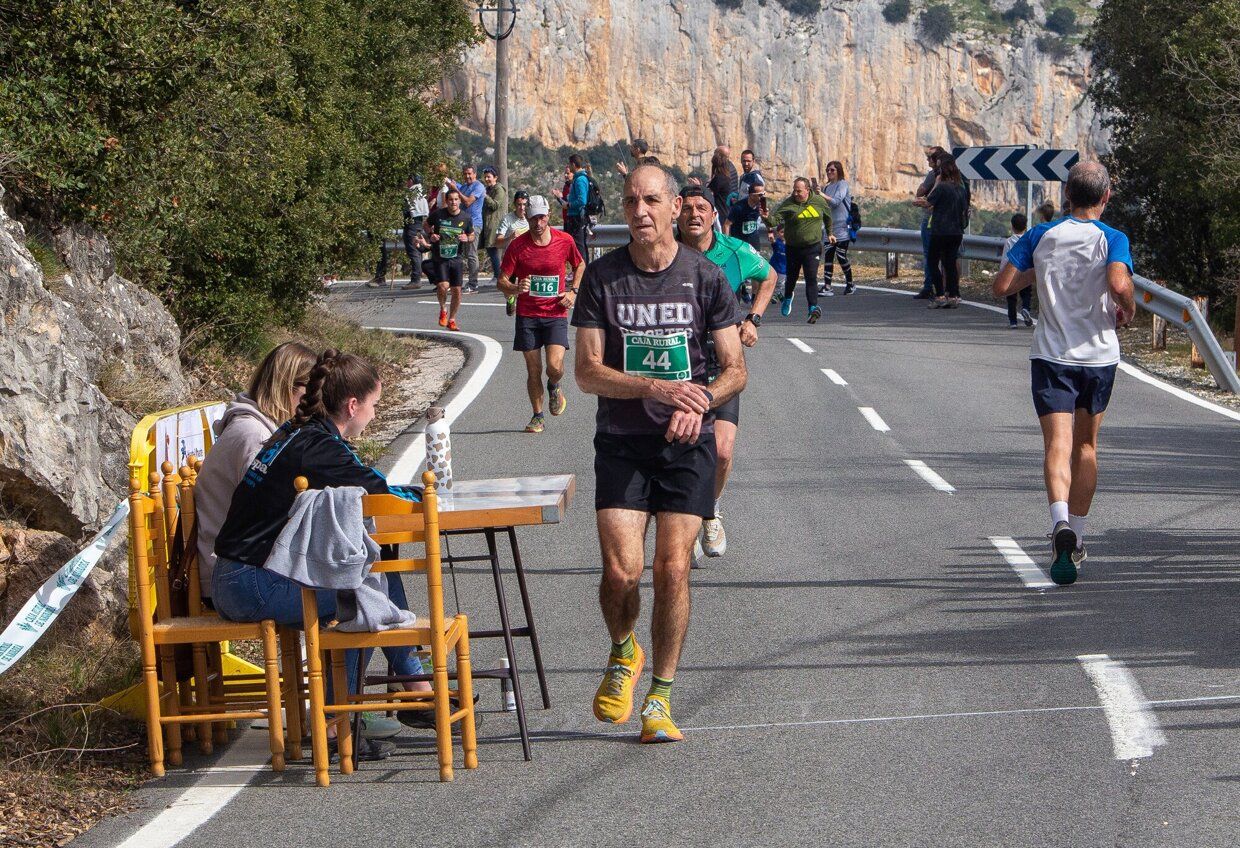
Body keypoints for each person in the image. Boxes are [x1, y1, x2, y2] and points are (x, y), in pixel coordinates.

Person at [571, 163, 746, 744]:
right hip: (622, 441)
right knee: (622, 570)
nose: (639, 212)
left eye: (650, 200)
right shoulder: (602, 278)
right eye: (629, 202)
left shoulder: (706, 277)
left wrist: (701, 403)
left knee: (672, 568)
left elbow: (734, 371)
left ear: (676, 207)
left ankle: (661, 700)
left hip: (685, 444)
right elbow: (587, 373)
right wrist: (654, 388)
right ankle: (625, 652)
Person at [212, 349, 431, 758]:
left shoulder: (295, 431)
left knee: (374, 576)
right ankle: (339, 726)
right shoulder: (321, 448)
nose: (374, 414)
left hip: (238, 574)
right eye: (374, 405)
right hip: (249, 583)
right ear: (352, 405)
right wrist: (427, 496)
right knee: (359, 598)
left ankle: (411, 688)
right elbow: (385, 492)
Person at [991, 162, 1136, 586]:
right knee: (1086, 447)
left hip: (1052, 356)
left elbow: (1002, 287)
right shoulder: (1113, 238)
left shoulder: (1040, 235)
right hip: (1099, 357)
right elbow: (1116, 280)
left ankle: (1059, 524)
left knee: (1057, 443)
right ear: (1106, 197)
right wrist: (1127, 306)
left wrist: (1043, 270)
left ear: (1068, 195)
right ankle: (1079, 533)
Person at [676, 186, 777, 559]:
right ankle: (678, 523)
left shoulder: (735, 252)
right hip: (676, 365)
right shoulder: (664, 252)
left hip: (722, 364)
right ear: (676, 213)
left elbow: (769, 277)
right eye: (686, 208)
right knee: (677, 451)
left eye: (702, 208)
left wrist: (753, 319)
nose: (694, 215)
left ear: (714, 214)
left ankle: (710, 510)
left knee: (721, 450)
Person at [196, 342, 317, 603]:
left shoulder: (261, 430)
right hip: (235, 575)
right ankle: (406, 645)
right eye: (313, 390)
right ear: (289, 388)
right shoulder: (253, 436)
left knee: (354, 580)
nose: (317, 401)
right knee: (354, 589)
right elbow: (274, 514)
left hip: (240, 566)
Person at [497, 195, 585, 433]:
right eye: (533, 218)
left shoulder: (564, 241)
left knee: (554, 367)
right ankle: (538, 416)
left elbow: (580, 264)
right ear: (527, 218)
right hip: (528, 315)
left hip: (555, 313)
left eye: (542, 218)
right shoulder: (518, 246)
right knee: (533, 368)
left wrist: (573, 291)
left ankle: (554, 385)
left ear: (549, 217)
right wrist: (515, 288)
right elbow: (501, 281)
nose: (538, 223)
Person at [767, 177, 832, 323]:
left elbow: (828, 217)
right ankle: (788, 297)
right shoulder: (789, 203)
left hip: (813, 247)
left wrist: (830, 233)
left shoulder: (818, 201)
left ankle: (813, 308)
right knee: (792, 278)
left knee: (811, 277)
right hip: (793, 248)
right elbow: (774, 220)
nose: (795, 194)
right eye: (794, 190)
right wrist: (766, 218)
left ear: (807, 190)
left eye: (799, 191)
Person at [913, 153, 968, 308]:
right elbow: (964, 207)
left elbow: (928, 202)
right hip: (956, 232)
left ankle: (940, 295)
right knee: (950, 264)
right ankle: (954, 295)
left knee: (932, 262)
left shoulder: (942, 186)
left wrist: (917, 202)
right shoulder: (961, 188)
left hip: (940, 230)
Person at [425, 186, 474, 331]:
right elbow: (426, 225)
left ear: (460, 201)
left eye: (456, 200)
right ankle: (443, 308)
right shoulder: (438, 214)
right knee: (443, 286)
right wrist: (431, 235)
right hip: (440, 257)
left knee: (457, 290)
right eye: (451, 200)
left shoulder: (465, 217)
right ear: (446, 201)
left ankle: (452, 319)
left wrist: (467, 237)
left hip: (456, 258)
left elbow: (472, 234)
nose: (453, 202)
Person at [913, 146, 947, 299]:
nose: (927, 160)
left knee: (930, 254)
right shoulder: (954, 176)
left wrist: (924, 196)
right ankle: (950, 290)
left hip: (932, 218)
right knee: (948, 256)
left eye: (930, 157)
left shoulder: (934, 175)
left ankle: (929, 287)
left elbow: (921, 192)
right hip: (950, 220)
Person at [818, 160, 855, 296]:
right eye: (828, 170)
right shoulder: (827, 188)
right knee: (828, 256)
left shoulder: (842, 184)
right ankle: (827, 286)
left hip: (843, 228)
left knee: (841, 256)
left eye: (832, 170)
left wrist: (821, 194)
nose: (829, 172)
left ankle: (850, 284)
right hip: (830, 228)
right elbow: (825, 206)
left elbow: (836, 201)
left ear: (838, 171)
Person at [448, 165, 486, 292]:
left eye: (470, 173)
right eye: (465, 174)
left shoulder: (478, 186)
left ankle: (473, 284)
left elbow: (468, 202)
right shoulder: (464, 187)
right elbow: (453, 186)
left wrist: (456, 190)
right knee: (457, 253)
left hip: (474, 225)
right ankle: (453, 282)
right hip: (461, 225)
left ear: (475, 174)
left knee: (471, 254)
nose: (467, 176)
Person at [496, 191, 531, 316]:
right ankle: (510, 298)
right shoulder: (508, 219)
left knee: (527, 288)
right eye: (519, 204)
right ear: (514, 205)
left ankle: (526, 310)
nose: (522, 208)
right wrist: (509, 238)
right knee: (505, 285)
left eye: (524, 205)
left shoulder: (532, 218)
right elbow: (498, 242)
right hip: (511, 259)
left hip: (527, 259)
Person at [1000, 213, 1035, 328]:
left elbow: (1006, 258)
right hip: (1025, 271)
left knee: (1011, 296)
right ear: (1025, 227)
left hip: (1012, 272)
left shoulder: (1009, 241)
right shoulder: (1028, 240)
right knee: (1026, 293)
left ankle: (1013, 321)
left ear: (1012, 226)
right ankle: (1025, 308)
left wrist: (1002, 272)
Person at [480, 166, 508, 285]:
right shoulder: (489, 189)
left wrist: (484, 196)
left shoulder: (499, 189)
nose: (487, 179)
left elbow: (495, 205)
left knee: (492, 250)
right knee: (491, 250)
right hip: (487, 224)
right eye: (485, 177)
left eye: (489, 177)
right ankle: (498, 275)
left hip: (495, 224)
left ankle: (498, 276)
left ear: (495, 177)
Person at [724, 181, 768, 254]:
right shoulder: (739, 207)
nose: (762, 197)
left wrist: (770, 231)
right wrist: (727, 243)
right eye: (760, 195)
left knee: (757, 264)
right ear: (751, 195)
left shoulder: (761, 206)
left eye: (764, 194)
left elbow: (766, 221)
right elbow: (726, 225)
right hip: (739, 242)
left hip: (754, 241)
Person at [564, 154, 592, 264]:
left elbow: (582, 201)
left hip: (577, 217)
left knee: (579, 246)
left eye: (570, 164)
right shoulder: (579, 178)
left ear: (573, 164)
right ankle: (581, 270)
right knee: (578, 245)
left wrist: (569, 205)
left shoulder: (580, 179)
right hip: (575, 217)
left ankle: (582, 271)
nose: (569, 167)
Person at [769, 226, 787, 305]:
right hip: (774, 266)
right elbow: (772, 241)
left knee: (780, 283)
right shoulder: (777, 242)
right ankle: (776, 295)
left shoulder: (790, 244)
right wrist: (770, 234)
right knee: (772, 282)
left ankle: (777, 294)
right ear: (778, 233)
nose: (783, 234)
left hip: (783, 268)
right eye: (782, 232)